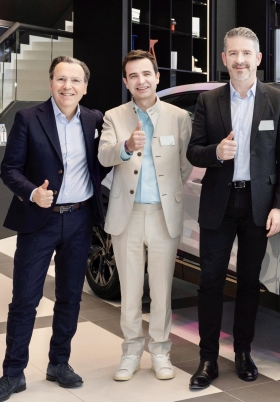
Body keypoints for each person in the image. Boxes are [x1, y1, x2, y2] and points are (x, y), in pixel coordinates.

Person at [187, 27, 280, 388]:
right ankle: (206, 358)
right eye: (233, 53)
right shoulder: (209, 101)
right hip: (219, 201)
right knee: (210, 281)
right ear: (223, 59)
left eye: (246, 53)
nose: (239, 60)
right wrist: (216, 153)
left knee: (249, 283)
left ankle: (243, 352)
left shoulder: (276, 101)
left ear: (258, 58)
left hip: (258, 205)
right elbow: (194, 151)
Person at [0, 56, 110, 400]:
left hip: (80, 221)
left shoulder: (95, 119)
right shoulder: (28, 118)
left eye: (76, 81)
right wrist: (32, 193)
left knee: (70, 297)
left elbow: (101, 163)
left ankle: (58, 363)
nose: (68, 86)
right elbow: (9, 169)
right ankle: (13, 373)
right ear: (51, 83)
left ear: (85, 87)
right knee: (25, 300)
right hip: (39, 221)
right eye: (61, 79)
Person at [98, 50, 192, 381]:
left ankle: (161, 352)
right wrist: (126, 145)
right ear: (126, 81)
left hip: (164, 214)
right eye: (133, 76)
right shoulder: (114, 116)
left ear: (157, 76)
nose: (141, 81)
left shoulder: (180, 117)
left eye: (146, 74)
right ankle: (131, 352)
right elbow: (105, 155)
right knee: (131, 289)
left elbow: (185, 164)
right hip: (128, 214)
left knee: (163, 288)